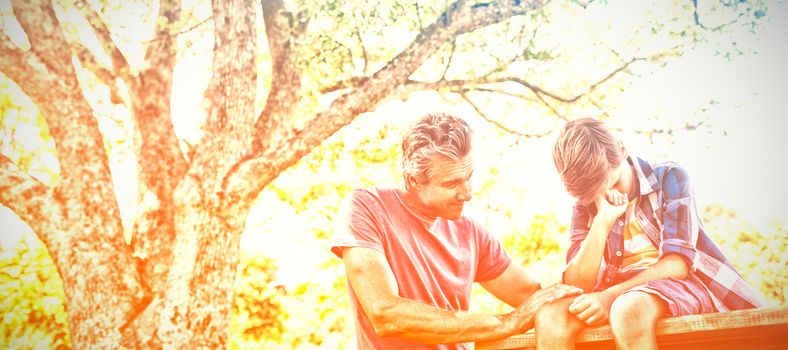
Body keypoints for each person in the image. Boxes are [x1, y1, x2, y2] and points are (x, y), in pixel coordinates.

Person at [330, 114, 582, 349]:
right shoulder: (366, 208)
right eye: (451, 183)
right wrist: (507, 322)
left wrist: (600, 232)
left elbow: (535, 298)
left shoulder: (472, 234)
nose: (467, 194)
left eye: (468, 177)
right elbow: (385, 314)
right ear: (414, 180)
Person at [537, 117, 764, 350]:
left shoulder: (669, 176)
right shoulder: (586, 203)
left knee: (627, 309)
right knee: (550, 317)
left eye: (612, 183)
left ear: (622, 149)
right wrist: (602, 221)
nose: (606, 196)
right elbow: (577, 284)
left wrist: (611, 295)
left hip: (676, 285)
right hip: (611, 293)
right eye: (595, 193)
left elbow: (677, 265)